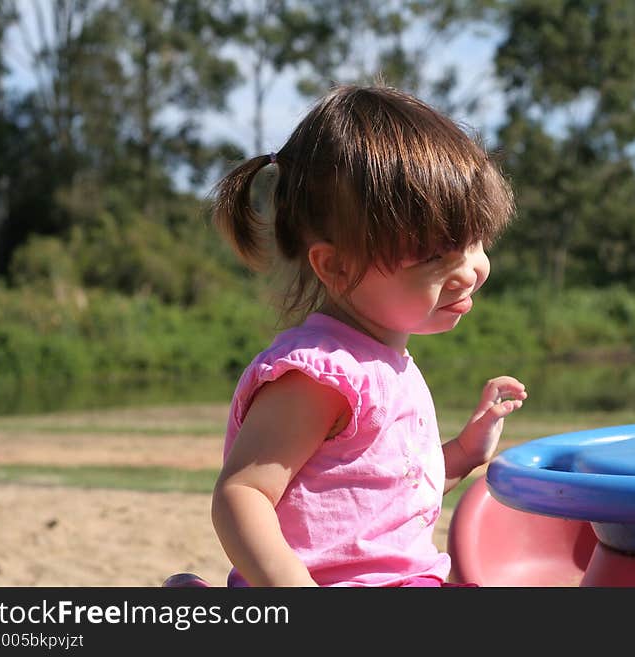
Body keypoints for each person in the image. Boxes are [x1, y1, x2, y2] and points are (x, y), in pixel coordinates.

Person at [209, 83, 526, 587]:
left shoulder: (386, 363)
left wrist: (465, 451)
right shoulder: (320, 375)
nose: (472, 271)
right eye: (434, 256)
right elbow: (241, 495)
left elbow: (384, 503)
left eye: (475, 241)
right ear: (336, 266)